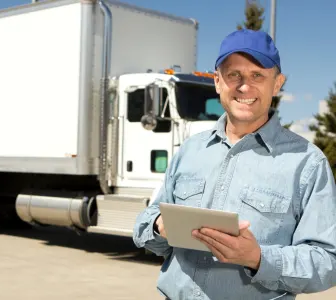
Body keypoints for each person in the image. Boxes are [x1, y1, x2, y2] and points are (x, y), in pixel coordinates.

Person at [133, 29, 336, 300]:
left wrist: (259, 258)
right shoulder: (191, 150)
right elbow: (144, 226)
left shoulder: (307, 163)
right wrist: (159, 225)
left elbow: (328, 262)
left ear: (277, 84)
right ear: (217, 82)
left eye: (257, 75)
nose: (244, 86)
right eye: (233, 75)